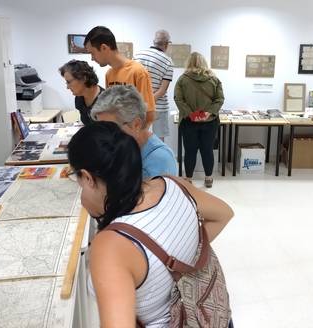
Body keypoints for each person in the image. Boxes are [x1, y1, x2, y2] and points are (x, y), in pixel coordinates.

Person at [67, 121, 234, 327]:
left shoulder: (110, 247)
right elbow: (224, 214)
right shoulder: (173, 184)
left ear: (87, 177)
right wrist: (183, 259)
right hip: (213, 318)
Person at [91, 85, 177, 179]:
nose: (104, 136)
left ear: (136, 124)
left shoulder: (159, 160)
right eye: (101, 128)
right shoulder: (124, 146)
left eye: (111, 129)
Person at [84, 26, 156, 127]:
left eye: (92, 53)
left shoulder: (138, 71)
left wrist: (135, 139)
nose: (92, 58)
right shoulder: (109, 74)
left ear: (104, 48)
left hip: (135, 137)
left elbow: (149, 114)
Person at [174, 52, 224, 188]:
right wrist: (209, 113)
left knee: (190, 151)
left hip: (189, 122)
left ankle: (188, 179)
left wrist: (190, 114)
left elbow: (178, 99)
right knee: (207, 150)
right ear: (204, 62)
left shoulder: (182, 80)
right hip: (210, 122)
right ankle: (208, 178)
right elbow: (220, 99)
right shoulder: (214, 79)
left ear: (188, 63)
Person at [134, 30, 174, 141]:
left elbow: (132, 82)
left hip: (139, 105)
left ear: (154, 42)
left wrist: (142, 102)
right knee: (159, 140)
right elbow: (162, 90)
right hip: (159, 106)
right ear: (166, 44)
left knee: (138, 137)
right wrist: (149, 102)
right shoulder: (168, 61)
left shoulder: (138, 55)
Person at [59, 60, 104, 125]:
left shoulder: (106, 101)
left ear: (83, 78)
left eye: (69, 82)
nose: (67, 87)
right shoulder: (79, 98)